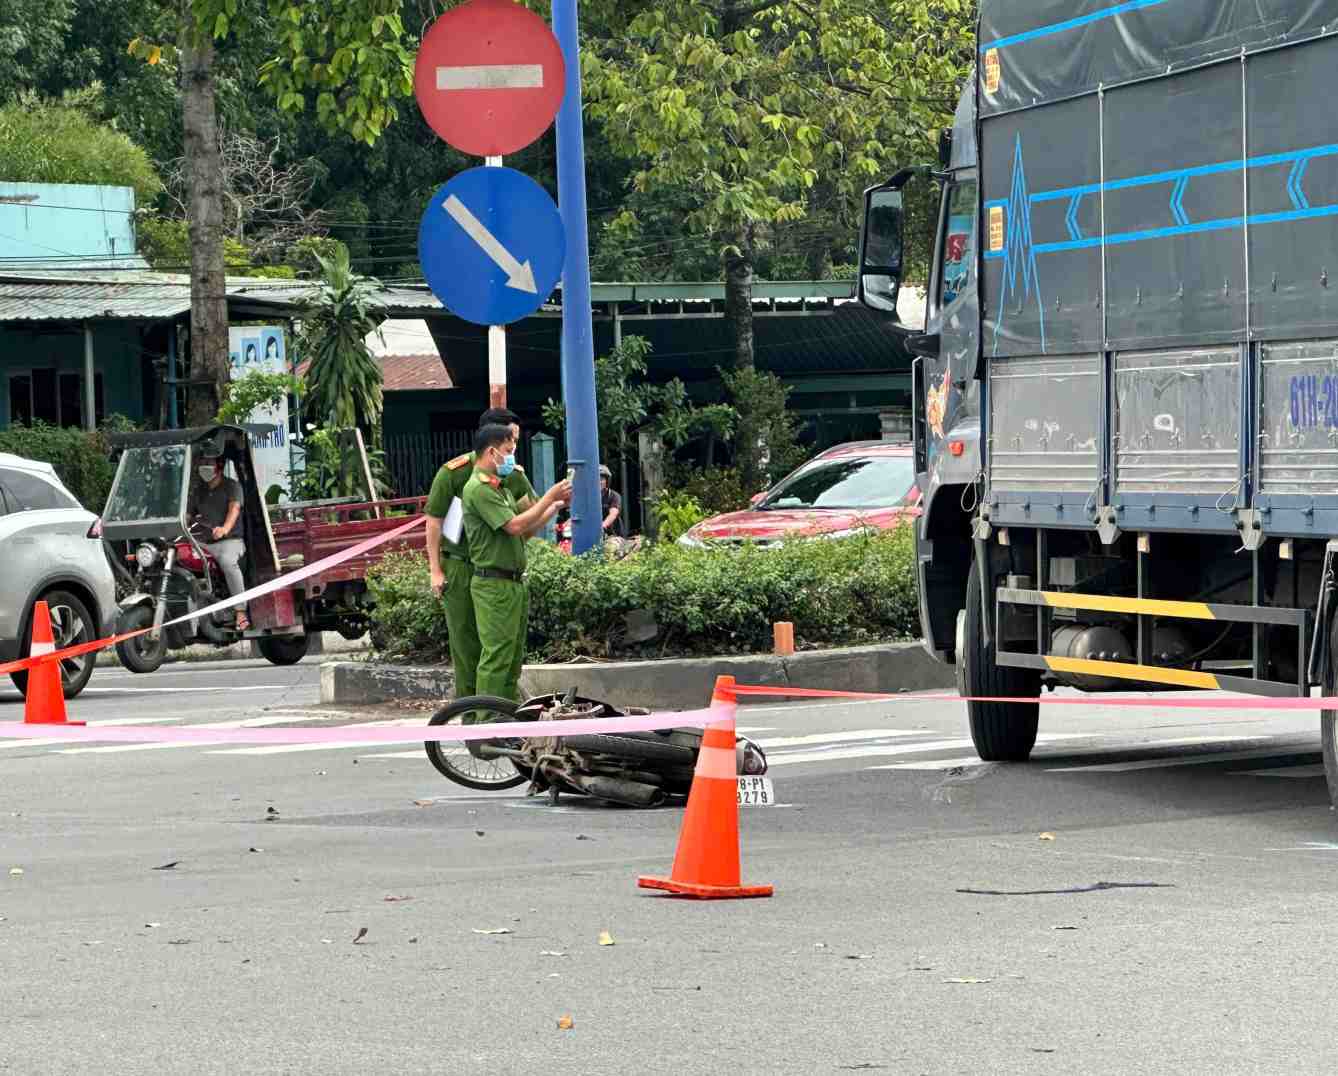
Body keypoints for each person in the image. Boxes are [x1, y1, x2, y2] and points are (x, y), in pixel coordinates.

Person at [424, 407, 536, 699]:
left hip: (496, 570)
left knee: (501, 648)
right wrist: (436, 570)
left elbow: (529, 518)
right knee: (466, 646)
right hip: (461, 567)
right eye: (508, 442)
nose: (512, 450)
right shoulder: (455, 473)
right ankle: (472, 717)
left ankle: (500, 715)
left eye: (515, 442)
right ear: (490, 441)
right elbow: (434, 521)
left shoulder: (513, 475)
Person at [462, 424, 570, 702]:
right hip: (493, 585)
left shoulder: (501, 490)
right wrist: (549, 496)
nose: (512, 457)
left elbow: (524, 532)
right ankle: (487, 723)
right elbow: (513, 525)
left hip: (511, 583)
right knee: (497, 656)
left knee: (511, 659)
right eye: (508, 451)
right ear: (491, 451)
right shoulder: (479, 489)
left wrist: (553, 508)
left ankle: (507, 718)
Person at [189, 453, 249, 629]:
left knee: (228, 562)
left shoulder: (232, 486)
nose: (204, 466)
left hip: (230, 541)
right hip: (202, 542)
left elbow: (234, 509)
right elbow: (187, 515)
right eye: (202, 462)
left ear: (219, 466)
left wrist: (224, 529)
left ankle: (240, 613)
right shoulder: (198, 490)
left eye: (208, 462)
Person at [599, 464, 625, 536]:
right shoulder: (588, 497)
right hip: (592, 534)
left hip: (613, 535)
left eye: (601, 479)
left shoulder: (613, 496)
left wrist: (603, 526)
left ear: (607, 481)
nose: (598, 482)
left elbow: (613, 514)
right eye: (595, 479)